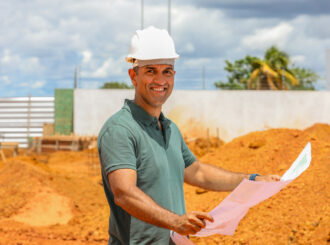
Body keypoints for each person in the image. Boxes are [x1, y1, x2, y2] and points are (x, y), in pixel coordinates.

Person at [97, 26, 280, 245]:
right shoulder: (120, 129)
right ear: (133, 76)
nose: (160, 80)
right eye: (150, 71)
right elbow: (124, 193)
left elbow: (198, 173)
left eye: (167, 71)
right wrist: (175, 222)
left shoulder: (170, 129)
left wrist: (251, 180)